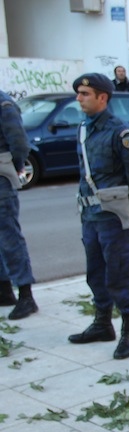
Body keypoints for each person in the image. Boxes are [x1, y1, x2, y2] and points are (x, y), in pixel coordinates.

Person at [68, 74, 129, 360]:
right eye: (79, 93)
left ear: (102, 97)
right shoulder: (83, 130)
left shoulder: (120, 133)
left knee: (121, 271)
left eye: (85, 94)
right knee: (95, 271)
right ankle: (102, 323)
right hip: (90, 215)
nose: (79, 98)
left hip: (114, 216)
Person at [0, 89, 38, 320]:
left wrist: (13, 168)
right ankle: (4, 290)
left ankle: (26, 295)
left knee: (9, 238)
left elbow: (20, 145)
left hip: (1, 180)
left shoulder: (4, 105)